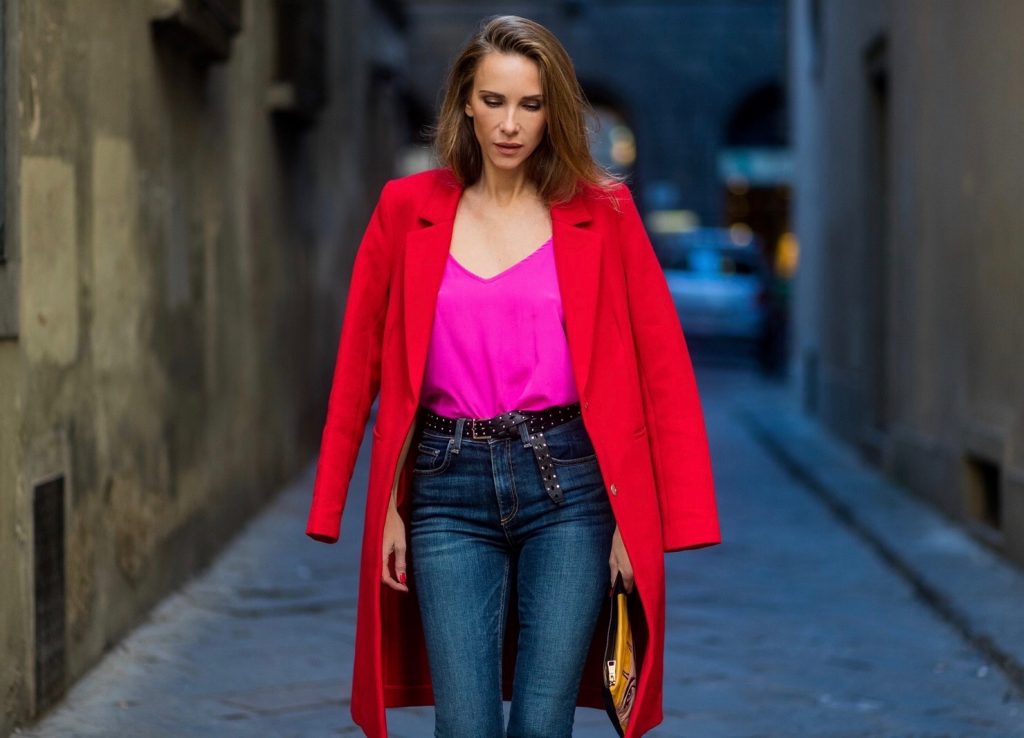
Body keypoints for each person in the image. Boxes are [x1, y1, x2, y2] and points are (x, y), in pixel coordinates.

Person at [305, 14, 721, 738]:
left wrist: (644, 521)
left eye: (530, 105)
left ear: (552, 112)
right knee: (464, 725)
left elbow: (663, 370)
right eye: (494, 101)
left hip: (571, 488)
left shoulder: (604, 214)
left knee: (540, 720)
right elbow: (359, 363)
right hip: (444, 485)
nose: (510, 124)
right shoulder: (406, 211)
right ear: (466, 100)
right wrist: (374, 509)